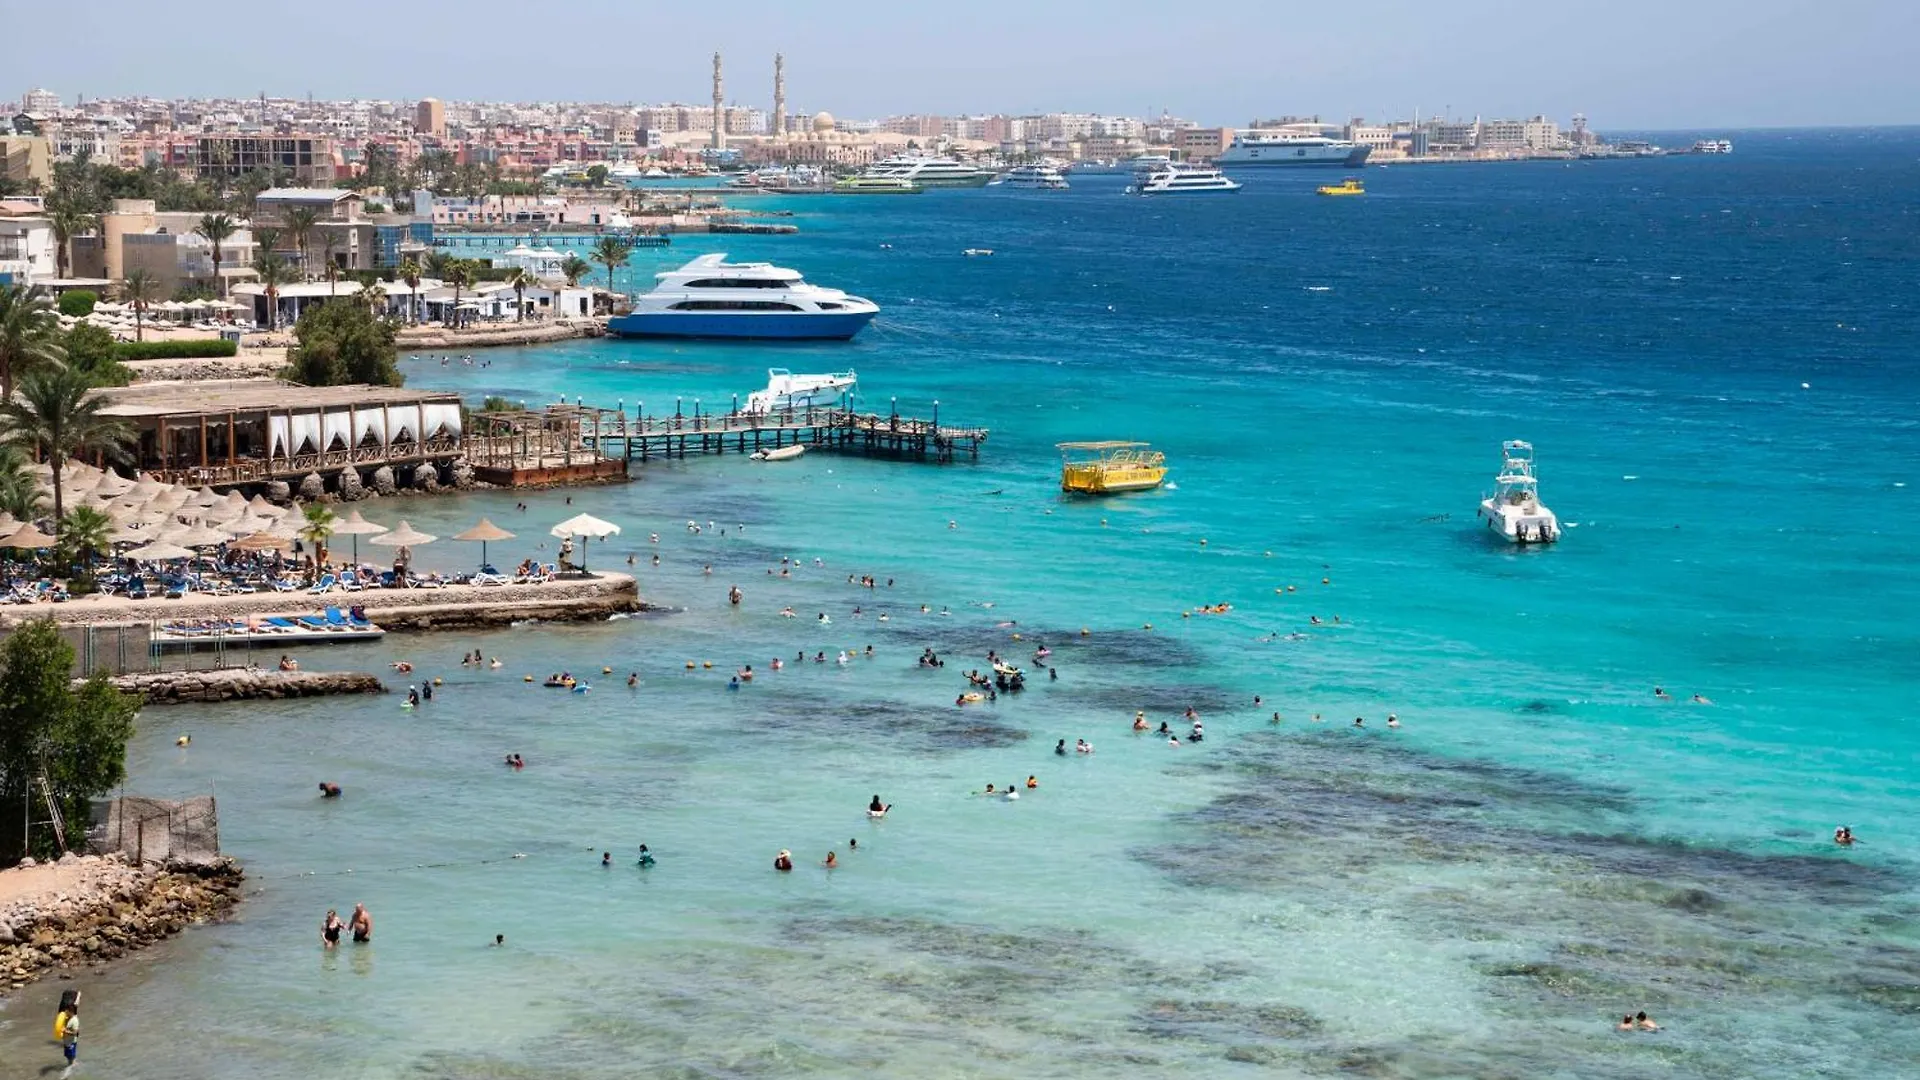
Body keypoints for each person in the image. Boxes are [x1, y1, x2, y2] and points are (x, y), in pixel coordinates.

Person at [59, 999, 79, 1068]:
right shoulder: (68, 1018)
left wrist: (65, 1031)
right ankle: (72, 1066)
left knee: (71, 1058)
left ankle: (70, 1070)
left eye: (66, 1010)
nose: (65, 1012)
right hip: (67, 1042)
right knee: (68, 1057)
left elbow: (75, 1033)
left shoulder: (74, 1021)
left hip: (71, 1043)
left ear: (71, 1011)